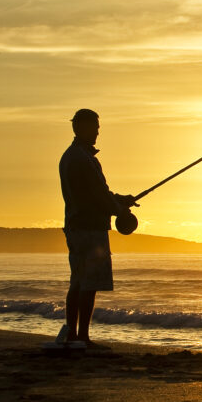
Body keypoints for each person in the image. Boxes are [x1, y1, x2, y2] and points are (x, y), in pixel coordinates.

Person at [56, 109, 137, 349]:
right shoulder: (83, 159)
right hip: (90, 229)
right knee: (88, 284)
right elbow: (98, 197)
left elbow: (98, 194)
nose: (98, 131)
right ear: (80, 127)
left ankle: (72, 335)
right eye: (95, 126)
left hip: (75, 227)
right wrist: (120, 210)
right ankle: (82, 338)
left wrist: (120, 200)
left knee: (78, 281)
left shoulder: (70, 156)